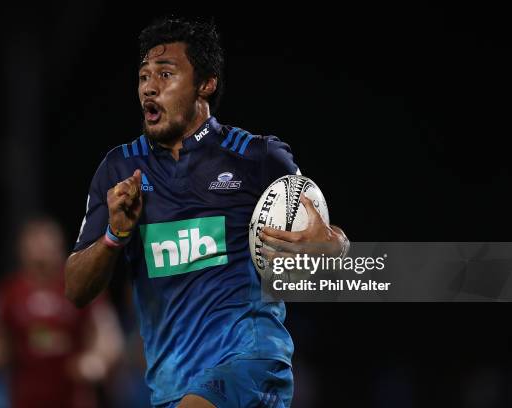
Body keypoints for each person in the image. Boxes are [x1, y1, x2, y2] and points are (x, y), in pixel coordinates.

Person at [65, 17, 349, 408]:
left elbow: (331, 246)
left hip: (250, 364)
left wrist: (330, 245)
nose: (149, 86)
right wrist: (115, 235)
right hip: (171, 386)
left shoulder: (258, 157)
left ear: (206, 84)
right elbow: (76, 290)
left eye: (166, 74)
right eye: (144, 76)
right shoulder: (118, 171)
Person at [0, 217, 124, 408]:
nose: (41, 251)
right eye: (35, 243)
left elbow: (108, 335)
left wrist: (97, 359)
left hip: (74, 397)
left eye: (47, 243)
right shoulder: (7, 293)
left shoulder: (82, 285)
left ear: (59, 246)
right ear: (22, 249)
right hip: (25, 397)